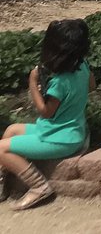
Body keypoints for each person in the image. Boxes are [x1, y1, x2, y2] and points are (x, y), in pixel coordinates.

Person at [0, 19, 92, 210]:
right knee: (11, 130)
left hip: (60, 139)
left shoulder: (59, 82)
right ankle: (3, 180)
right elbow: (92, 85)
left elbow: (46, 112)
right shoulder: (82, 66)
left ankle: (39, 186)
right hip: (67, 131)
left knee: (0, 148)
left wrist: (33, 84)